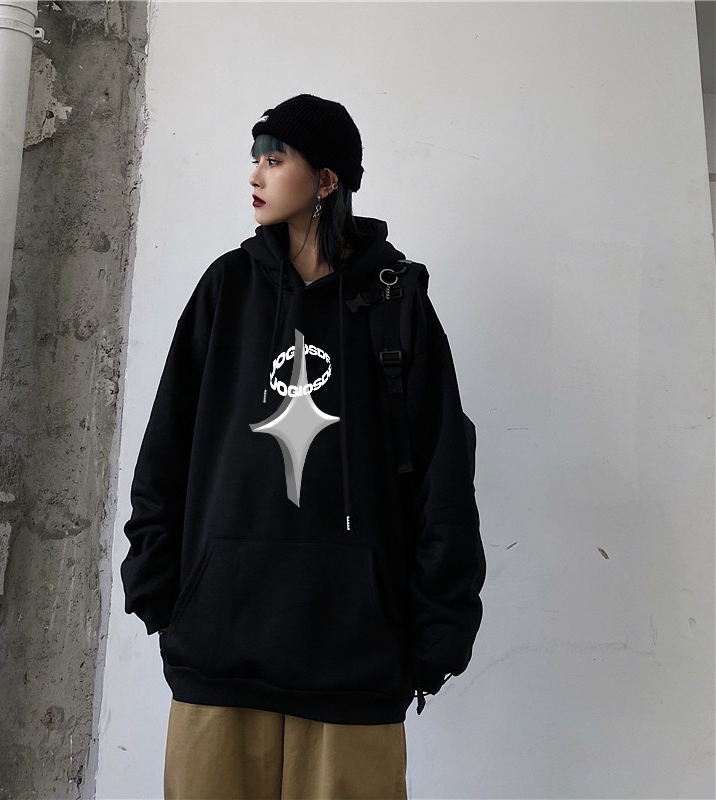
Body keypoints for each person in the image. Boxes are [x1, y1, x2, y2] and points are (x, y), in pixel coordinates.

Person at [121, 94, 485, 800]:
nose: (255, 174)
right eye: (254, 157)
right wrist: (158, 588)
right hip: (218, 660)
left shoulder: (396, 302)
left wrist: (438, 633)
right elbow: (165, 449)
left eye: (275, 158)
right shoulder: (226, 289)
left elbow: (444, 475)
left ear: (326, 179)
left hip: (356, 668)